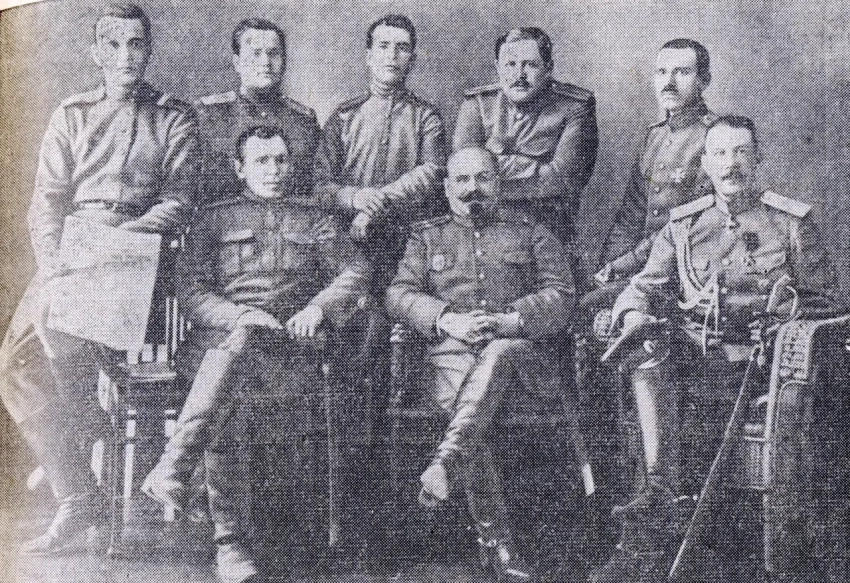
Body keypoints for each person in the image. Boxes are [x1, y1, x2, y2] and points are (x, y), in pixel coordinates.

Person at [591, 116, 838, 583]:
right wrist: (634, 316)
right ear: (705, 163)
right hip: (696, 359)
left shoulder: (790, 222)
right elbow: (642, 287)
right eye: (721, 153)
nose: (731, 164)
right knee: (646, 354)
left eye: (741, 152)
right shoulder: (685, 225)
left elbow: (827, 304)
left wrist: (786, 318)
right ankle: (657, 500)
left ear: (758, 158)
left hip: (763, 365)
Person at [0, 3, 199, 556]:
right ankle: (79, 487)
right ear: (96, 53)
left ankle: (80, 462)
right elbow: (46, 203)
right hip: (74, 253)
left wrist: (120, 238)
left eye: (136, 44)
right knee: (14, 364)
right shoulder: (72, 114)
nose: (126, 56)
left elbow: (180, 200)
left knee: (63, 338)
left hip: (140, 250)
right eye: (113, 45)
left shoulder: (173, 116)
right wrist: (53, 262)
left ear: (148, 51)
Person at [141, 126, 369, 583]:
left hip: (292, 345)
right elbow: (191, 290)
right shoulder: (213, 219)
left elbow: (355, 271)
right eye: (262, 161)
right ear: (240, 168)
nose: (274, 170)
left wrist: (318, 308)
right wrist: (239, 315)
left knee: (231, 376)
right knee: (235, 364)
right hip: (221, 341)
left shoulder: (315, 217)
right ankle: (230, 542)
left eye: (281, 160)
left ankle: (179, 475)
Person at [386, 147, 575, 583]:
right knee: (472, 412)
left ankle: (447, 464)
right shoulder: (426, 237)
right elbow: (398, 293)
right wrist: (445, 319)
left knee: (498, 352)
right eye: (463, 179)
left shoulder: (531, 232)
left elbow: (563, 295)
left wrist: (511, 320)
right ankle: (498, 545)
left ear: (498, 183)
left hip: (524, 367)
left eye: (483, 178)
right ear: (447, 187)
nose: (473, 188)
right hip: (450, 362)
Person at [314, 13, 447, 287]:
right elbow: (319, 185)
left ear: (412, 59)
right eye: (383, 46)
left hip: (407, 241)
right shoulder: (344, 116)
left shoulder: (426, 116)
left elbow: (431, 172)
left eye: (402, 48)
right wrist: (354, 197)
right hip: (348, 240)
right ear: (369, 56)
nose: (392, 56)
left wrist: (375, 204)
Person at [453, 27, 597, 246]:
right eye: (510, 65)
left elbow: (562, 180)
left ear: (548, 68)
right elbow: (462, 176)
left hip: (548, 236)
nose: (519, 75)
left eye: (530, 65)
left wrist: (491, 168)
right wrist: (535, 169)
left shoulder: (575, 107)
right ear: (497, 67)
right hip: (483, 235)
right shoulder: (477, 104)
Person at [595, 38, 716, 286]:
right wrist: (609, 267)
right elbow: (630, 217)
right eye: (662, 72)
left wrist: (625, 264)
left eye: (682, 72)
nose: (669, 83)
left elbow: (688, 223)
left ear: (704, 81)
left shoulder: (715, 136)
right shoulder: (654, 136)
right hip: (641, 266)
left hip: (686, 268)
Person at [195, 18, 319, 205]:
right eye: (256, 53)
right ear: (237, 63)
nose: (266, 62)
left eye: (273, 53)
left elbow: (314, 188)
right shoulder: (208, 114)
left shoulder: (303, 120)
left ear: (284, 61)